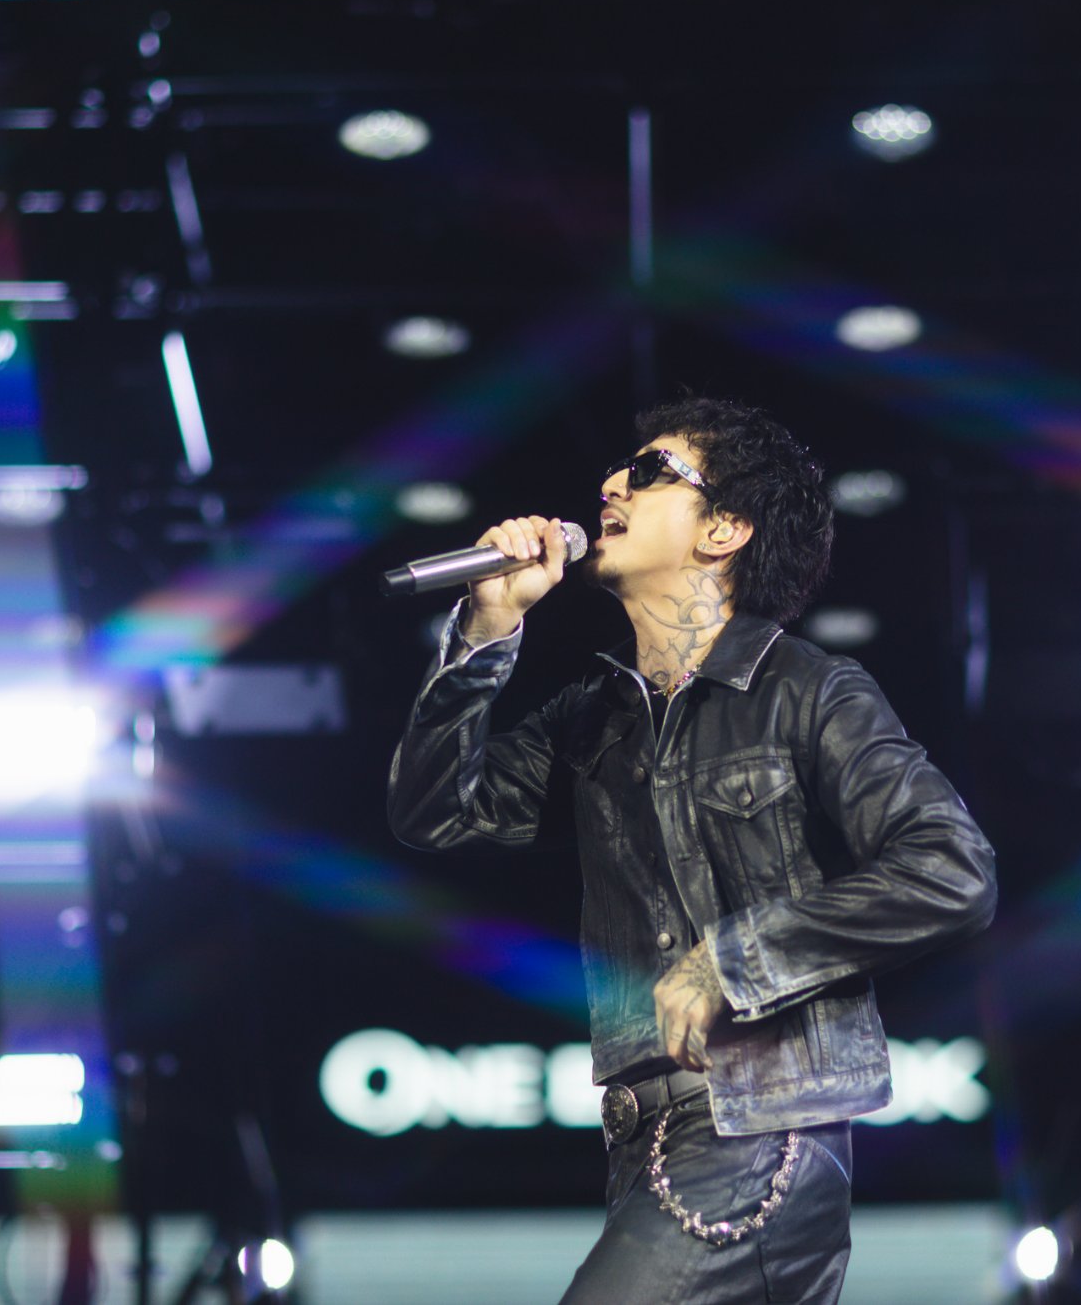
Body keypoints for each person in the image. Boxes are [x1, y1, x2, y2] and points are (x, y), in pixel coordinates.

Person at [388, 397, 997, 1304]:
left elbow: (952, 869)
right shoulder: (593, 717)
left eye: (650, 472)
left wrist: (734, 961)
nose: (611, 483)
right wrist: (486, 631)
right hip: (642, 1143)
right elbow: (435, 812)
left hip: (759, 1128)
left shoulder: (809, 691)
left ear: (724, 529)